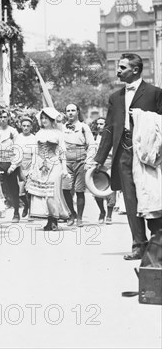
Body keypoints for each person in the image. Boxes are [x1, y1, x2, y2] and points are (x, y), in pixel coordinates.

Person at [93, 53, 162, 260]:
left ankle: (157, 245)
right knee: (131, 200)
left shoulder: (155, 93)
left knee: (151, 197)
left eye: (122, 67)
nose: (118, 71)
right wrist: (98, 160)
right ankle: (138, 245)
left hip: (148, 154)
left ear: (135, 70)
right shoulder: (115, 97)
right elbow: (108, 129)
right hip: (123, 152)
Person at [25, 108, 71, 231]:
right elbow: (35, 152)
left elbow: (62, 152)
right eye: (42, 118)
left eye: (46, 118)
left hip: (55, 165)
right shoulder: (39, 133)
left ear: (51, 119)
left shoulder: (58, 134)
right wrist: (32, 168)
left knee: (53, 193)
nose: (44, 120)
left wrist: (64, 169)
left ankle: (54, 219)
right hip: (40, 165)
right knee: (43, 193)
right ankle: (49, 220)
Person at [62, 103, 95, 227]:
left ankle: (80, 218)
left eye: (73, 110)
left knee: (79, 190)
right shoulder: (62, 127)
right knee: (65, 190)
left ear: (77, 112)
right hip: (66, 162)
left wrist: (88, 160)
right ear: (65, 113)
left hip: (81, 161)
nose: (70, 113)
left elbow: (91, 145)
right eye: (68, 110)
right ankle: (71, 214)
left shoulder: (83, 127)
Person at [0, 110, 21, 222]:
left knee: (13, 188)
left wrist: (13, 166)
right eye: (0, 117)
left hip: (10, 162)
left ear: (8, 118)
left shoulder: (13, 132)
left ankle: (16, 212)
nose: (3, 119)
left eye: (5, 117)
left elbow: (18, 148)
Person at [9, 116, 37, 218]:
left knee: (29, 189)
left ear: (31, 127)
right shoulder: (18, 137)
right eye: (24, 126)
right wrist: (14, 165)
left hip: (30, 163)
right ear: (21, 126)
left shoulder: (34, 138)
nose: (25, 128)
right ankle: (26, 205)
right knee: (20, 191)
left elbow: (35, 154)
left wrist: (33, 167)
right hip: (20, 163)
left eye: (28, 126)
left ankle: (30, 211)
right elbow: (16, 152)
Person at [92, 116, 116, 224]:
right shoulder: (95, 136)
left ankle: (109, 215)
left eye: (102, 124)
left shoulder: (112, 136)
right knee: (97, 190)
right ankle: (102, 211)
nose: (99, 126)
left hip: (110, 164)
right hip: (98, 166)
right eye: (98, 124)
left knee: (111, 190)